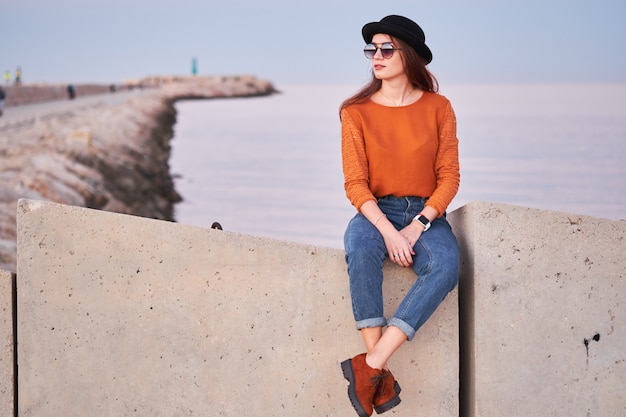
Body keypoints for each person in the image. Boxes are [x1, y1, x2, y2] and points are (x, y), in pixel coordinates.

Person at [339, 15, 460, 417]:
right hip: (377, 211)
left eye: (385, 49)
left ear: (407, 56)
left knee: (446, 265)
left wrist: (418, 225)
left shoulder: (439, 107)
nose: (376, 56)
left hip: (425, 213)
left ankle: (371, 365)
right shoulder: (355, 112)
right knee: (359, 247)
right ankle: (380, 375)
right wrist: (389, 231)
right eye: (371, 49)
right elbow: (355, 184)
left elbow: (449, 177)